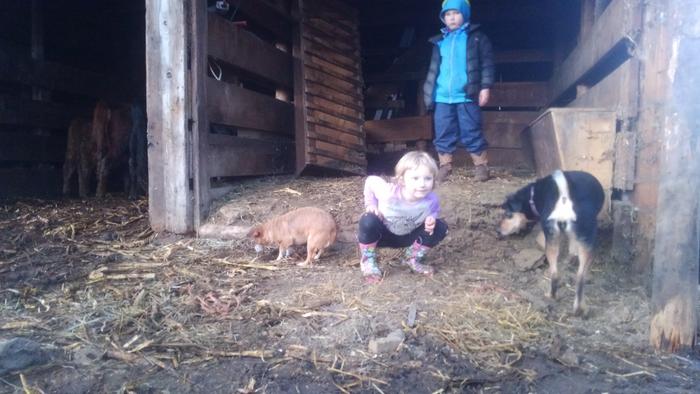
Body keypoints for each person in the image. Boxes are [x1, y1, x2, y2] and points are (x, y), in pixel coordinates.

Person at [423, 0, 495, 182]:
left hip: (466, 94)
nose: (451, 17)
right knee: (443, 131)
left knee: (471, 129)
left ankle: (481, 167)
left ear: (465, 15)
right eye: (447, 14)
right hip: (442, 96)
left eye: (455, 13)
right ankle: (445, 167)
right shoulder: (439, 42)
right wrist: (429, 92)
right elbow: (434, 70)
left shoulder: (477, 38)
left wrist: (485, 87)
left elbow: (487, 64)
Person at [358, 151, 448, 283]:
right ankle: (369, 261)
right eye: (415, 178)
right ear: (402, 180)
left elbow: (434, 211)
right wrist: (371, 205)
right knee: (368, 220)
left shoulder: (431, 200)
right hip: (383, 236)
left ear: (433, 179)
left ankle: (413, 258)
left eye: (428, 178)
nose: (422, 184)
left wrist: (431, 219)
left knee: (440, 227)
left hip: (410, 237)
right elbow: (371, 181)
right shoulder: (388, 193)